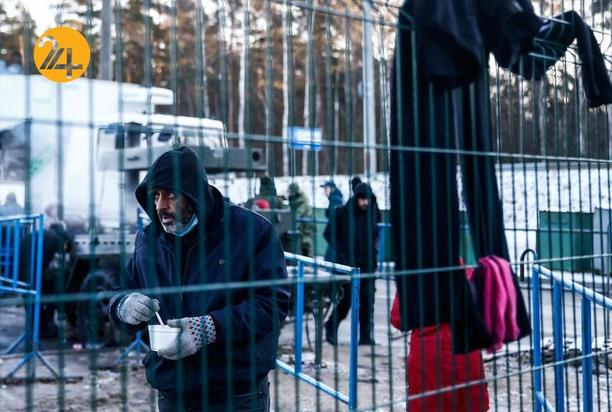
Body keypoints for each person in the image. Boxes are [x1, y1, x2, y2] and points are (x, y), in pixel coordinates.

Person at [107, 147, 290, 411]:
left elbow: (270, 305)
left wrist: (210, 328)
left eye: (171, 195)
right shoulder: (148, 240)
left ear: (194, 195)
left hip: (235, 393)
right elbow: (117, 291)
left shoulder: (250, 232)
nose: (160, 206)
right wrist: (122, 306)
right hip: (173, 392)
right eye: (156, 195)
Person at [324, 182, 380, 345]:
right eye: (362, 199)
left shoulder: (372, 214)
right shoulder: (342, 213)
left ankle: (365, 336)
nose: (365, 203)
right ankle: (331, 326)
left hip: (368, 265)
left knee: (368, 301)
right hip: (348, 265)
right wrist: (342, 252)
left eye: (368, 200)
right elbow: (329, 234)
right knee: (346, 299)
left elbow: (375, 236)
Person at [287, 183, 315, 257]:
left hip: (306, 229)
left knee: (306, 249)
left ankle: (308, 266)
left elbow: (297, 214)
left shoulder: (303, 202)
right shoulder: (295, 200)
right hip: (300, 229)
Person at [320, 180, 343, 262]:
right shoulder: (334, 198)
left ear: (332, 189)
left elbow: (334, 215)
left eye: (326, 189)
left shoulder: (336, 199)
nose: (324, 191)